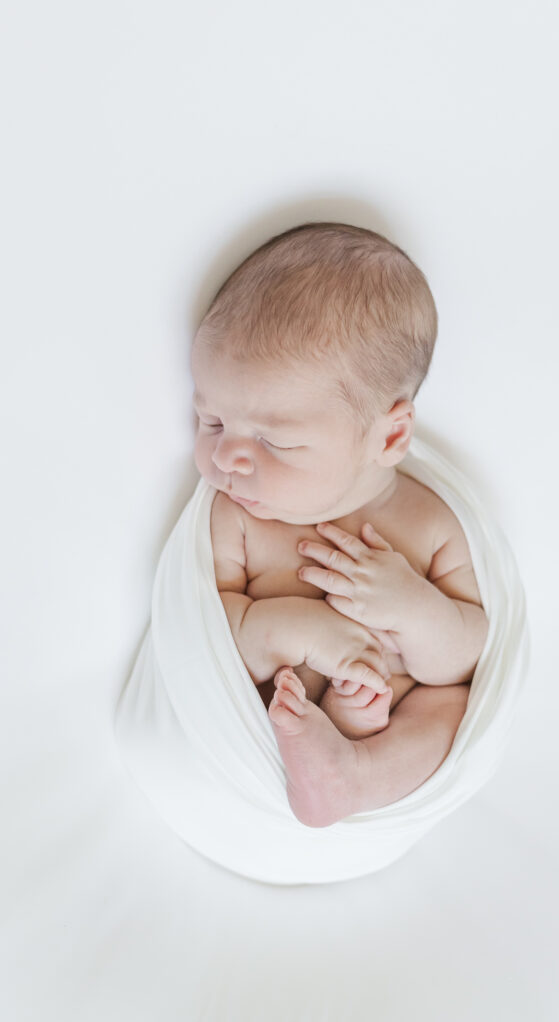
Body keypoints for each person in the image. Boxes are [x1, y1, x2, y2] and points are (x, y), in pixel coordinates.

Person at [190, 222, 489, 828]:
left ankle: (355, 777)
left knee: (449, 710)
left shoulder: (427, 522)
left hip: (388, 718)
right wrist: (308, 632)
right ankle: (318, 756)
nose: (225, 460)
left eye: (272, 440)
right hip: (272, 722)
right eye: (211, 421)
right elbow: (205, 637)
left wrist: (412, 607)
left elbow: (461, 661)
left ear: (391, 436)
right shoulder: (237, 518)